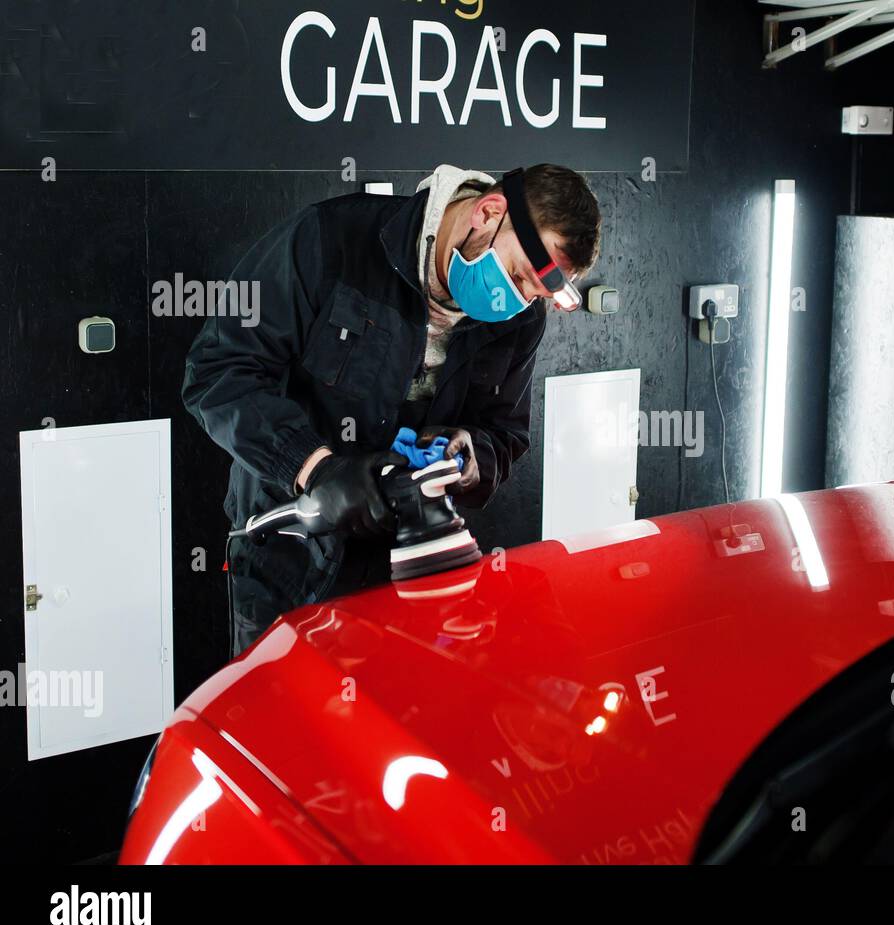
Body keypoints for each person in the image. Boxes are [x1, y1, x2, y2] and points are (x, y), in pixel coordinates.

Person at [182, 163, 601, 657]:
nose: (518, 302)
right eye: (516, 277)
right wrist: (316, 468)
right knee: (284, 724)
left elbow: (504, 432)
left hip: (414, 566)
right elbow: (219, 373)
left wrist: (468, 454)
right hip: (291, 553)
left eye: (537, 294)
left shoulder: (519, 318)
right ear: (488, 213)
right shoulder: (332, 241)